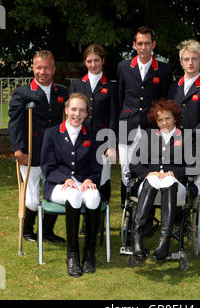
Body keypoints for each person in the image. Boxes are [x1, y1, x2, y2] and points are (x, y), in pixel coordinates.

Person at [8, 50, 68, 243]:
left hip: (55, 154)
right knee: (32, 199)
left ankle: (47, 231)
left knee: (57, 193)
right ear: (33, 68)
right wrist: (18, 149)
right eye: (38, 67)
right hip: (31, 152)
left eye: (47, 67)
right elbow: (15, 122)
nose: (42, 71)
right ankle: (27, 230)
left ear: (53, 69)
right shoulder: (23, 93)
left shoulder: (62, 92)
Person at [41, 93, 102, 277]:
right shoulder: (51, 134)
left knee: (93, 197)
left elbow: (96, 166)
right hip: (57, 185)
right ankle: (72, 255)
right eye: (73, 109)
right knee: (73, 195)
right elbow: (47, 166)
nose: (77, 113)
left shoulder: (92, 135)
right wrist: (64, 178)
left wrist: (91, 179)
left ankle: (89, 254)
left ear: (86, 114)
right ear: (66, 110)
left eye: (82, 110)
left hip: (83, 183)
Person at [129, 99, 196, 261]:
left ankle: (164, 242)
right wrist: (148, 173)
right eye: (160, 120)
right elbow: (134, 164)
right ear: (155, 122)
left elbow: (193, 166)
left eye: (168, 118)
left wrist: (173, 173)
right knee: (152, 181)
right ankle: (136, 238)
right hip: (149, 185)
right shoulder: (148, 137)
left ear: (175, 118)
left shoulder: (187, 137)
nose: (164, 123)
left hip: (176, 185)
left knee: (167, 182)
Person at [116, 26, 173, 209]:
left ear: (153, 44)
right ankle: (128, 211)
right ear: (134, 45)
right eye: (139, 43)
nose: (143, 47)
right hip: (127, 124)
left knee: (150, 170)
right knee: (126, 170)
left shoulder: (163, 70)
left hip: (151, 127)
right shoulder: (123, 67)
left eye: (147, 43)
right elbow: (119, 98)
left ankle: (146, 215)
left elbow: (165, 100)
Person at [168, 39, 200, 238]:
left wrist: (186, 140)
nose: (190, 63)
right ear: (181, 62)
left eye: (194, 59)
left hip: (195, 146)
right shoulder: (174, 87)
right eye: (186, 59)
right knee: (177, 185)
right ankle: (179, 225)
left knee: (198, 185)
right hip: (173, 147)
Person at [68, 44, 118, 203]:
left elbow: (113, 117)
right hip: (81, 141)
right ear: (85, 62)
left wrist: (111, 145)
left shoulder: (111, 86)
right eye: (89, 61)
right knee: (83, 180)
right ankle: (86, 224)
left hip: (102, 141)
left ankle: (101, 221)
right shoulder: (77, 85)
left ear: (103, 61)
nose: (93, 64)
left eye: (97, 60)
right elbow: (69, 115)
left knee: (102, 180)